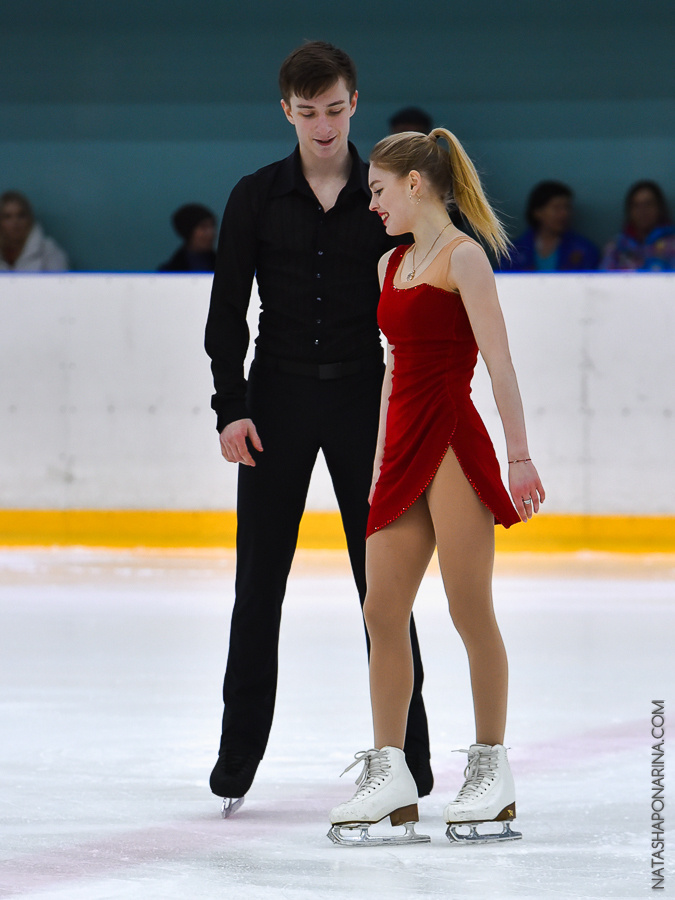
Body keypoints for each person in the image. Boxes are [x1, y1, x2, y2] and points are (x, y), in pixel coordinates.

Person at [204, 41, 432, 819]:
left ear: (354, 103)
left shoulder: (389, 197)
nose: (324, 125)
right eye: (308, 112)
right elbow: (226, 312)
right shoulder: (254, 197)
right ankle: (237, 757)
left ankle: (410, 759)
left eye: (335, 109)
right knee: (257, 584)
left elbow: (425, 294)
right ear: (286, 112)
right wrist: (231, 406)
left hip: (367, 402)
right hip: (274, 404)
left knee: (384, 587)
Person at [327, 129, 545, 847]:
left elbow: (500, 363)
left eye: (377, 190)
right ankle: (390, 773)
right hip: (401, 446)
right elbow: (392, 370)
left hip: (452, 438)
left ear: (414, 184)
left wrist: (518, 456)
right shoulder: (389, 264)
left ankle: (490, 770)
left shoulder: (463, 258)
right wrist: (377, 462)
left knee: (467, 608)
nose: (372, 204)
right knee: (381, 609)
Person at [500, 181, 599, 272]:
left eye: (567, 207)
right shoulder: (514, 251)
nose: (564, 214)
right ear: (537, 212)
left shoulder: (584, 249)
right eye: (557, 208)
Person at [600, 180, 675, 271]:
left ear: (659, 208)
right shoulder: (617, 246)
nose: (643, 211)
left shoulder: (672, 243)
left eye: (648, 204)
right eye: (636, 206)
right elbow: (604, 276)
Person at [0, 190, 68, 272]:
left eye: (21, 215)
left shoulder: (48, 251)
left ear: (29, 219)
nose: (15, 222)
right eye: (7, 216)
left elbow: (61, 279)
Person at [158, 203, 217, 272]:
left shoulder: (223, 265)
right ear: (189, 231)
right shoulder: (169, 272)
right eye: (203, 227)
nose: (210, 233)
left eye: (212, 226)